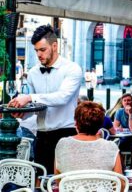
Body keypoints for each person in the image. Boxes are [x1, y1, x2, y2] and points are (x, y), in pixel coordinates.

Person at [9, 25, 82, 174]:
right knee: (42, 181)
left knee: (64, 182)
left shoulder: (72, 69)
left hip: (66, 134)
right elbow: (36, 108)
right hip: (41, 136)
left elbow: (62, 97)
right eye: (36, 50)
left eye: (42, 50)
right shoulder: (33, 73)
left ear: (54, 46)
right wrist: (22, 113)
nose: (39, 55)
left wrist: (29, 97)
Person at [54, 101, 123, 175]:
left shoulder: (62, 144)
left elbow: (58, 178)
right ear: (100, 125)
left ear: (76, 123)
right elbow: (120, 183)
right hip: (101, 186)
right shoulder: (111, 147)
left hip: (71, 186)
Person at [113, 93, 132, 168]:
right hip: (124, 139)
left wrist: (130, 115)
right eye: (125, 101)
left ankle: (131, 168)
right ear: (122, 102)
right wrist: (124, 129)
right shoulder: (119, 112)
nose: (127, 102)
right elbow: (115, 127)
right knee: (114, 148)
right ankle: (122, 168)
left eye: (129, 100)